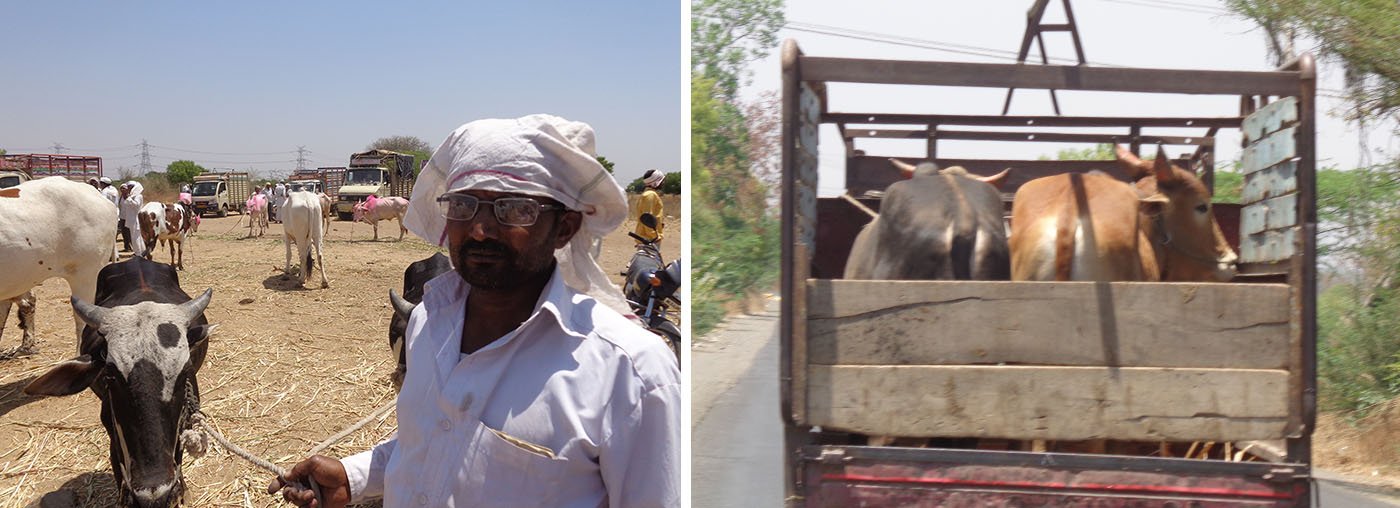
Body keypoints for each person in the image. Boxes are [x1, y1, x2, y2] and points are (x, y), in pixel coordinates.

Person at [270, 115, 680, 507]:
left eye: (515, 209)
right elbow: (433, 443)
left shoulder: (631, 372)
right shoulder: (428, 324)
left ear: (565, 227)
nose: (480, 230)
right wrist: (352, 476)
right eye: (464, 205)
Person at [634, 169, 666, 243]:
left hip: (648, 237)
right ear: (656, 182)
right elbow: (647, 218)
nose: (663, 183)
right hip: (649, 239)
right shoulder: (650, 195)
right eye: (661, 181)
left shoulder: (648, 194)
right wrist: (654, 236)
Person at [118, 181, 144, 255]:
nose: (128, 188)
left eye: (130, 187)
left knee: (136, 237)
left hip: (136, 220)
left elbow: (136, 205)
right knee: (134, 237)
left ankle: (138, 253)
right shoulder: (131, 196)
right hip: (131, 219)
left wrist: (128, 198)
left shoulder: (138, 196)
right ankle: (139, 252)